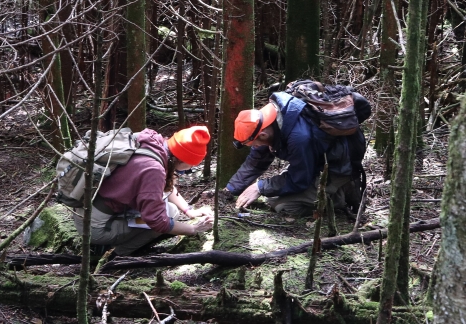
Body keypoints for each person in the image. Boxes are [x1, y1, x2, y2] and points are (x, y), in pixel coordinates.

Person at [72, 125, 214, 255]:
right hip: (95, 228)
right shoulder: (153, 169)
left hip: (89, 209)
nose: (190, 169)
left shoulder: (153, 142)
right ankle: (116, 254)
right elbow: (157, 221)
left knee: (172, 211)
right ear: (181, 160)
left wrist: (189, 211)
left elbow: (164, 186)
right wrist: (194, 229)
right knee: (165, 217)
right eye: (191, 165)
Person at [226, 91, 362, 216]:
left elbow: (299, 179)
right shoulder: (267, 123)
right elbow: (256, 161)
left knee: (282, 206)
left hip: (336, 167)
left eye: (253, 144)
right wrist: (229, 190)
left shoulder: (299, 138)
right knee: (273, 195)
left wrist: (260, 187)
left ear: (262, 134)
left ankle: (339, 196)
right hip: (312, 163)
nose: (255, 147)